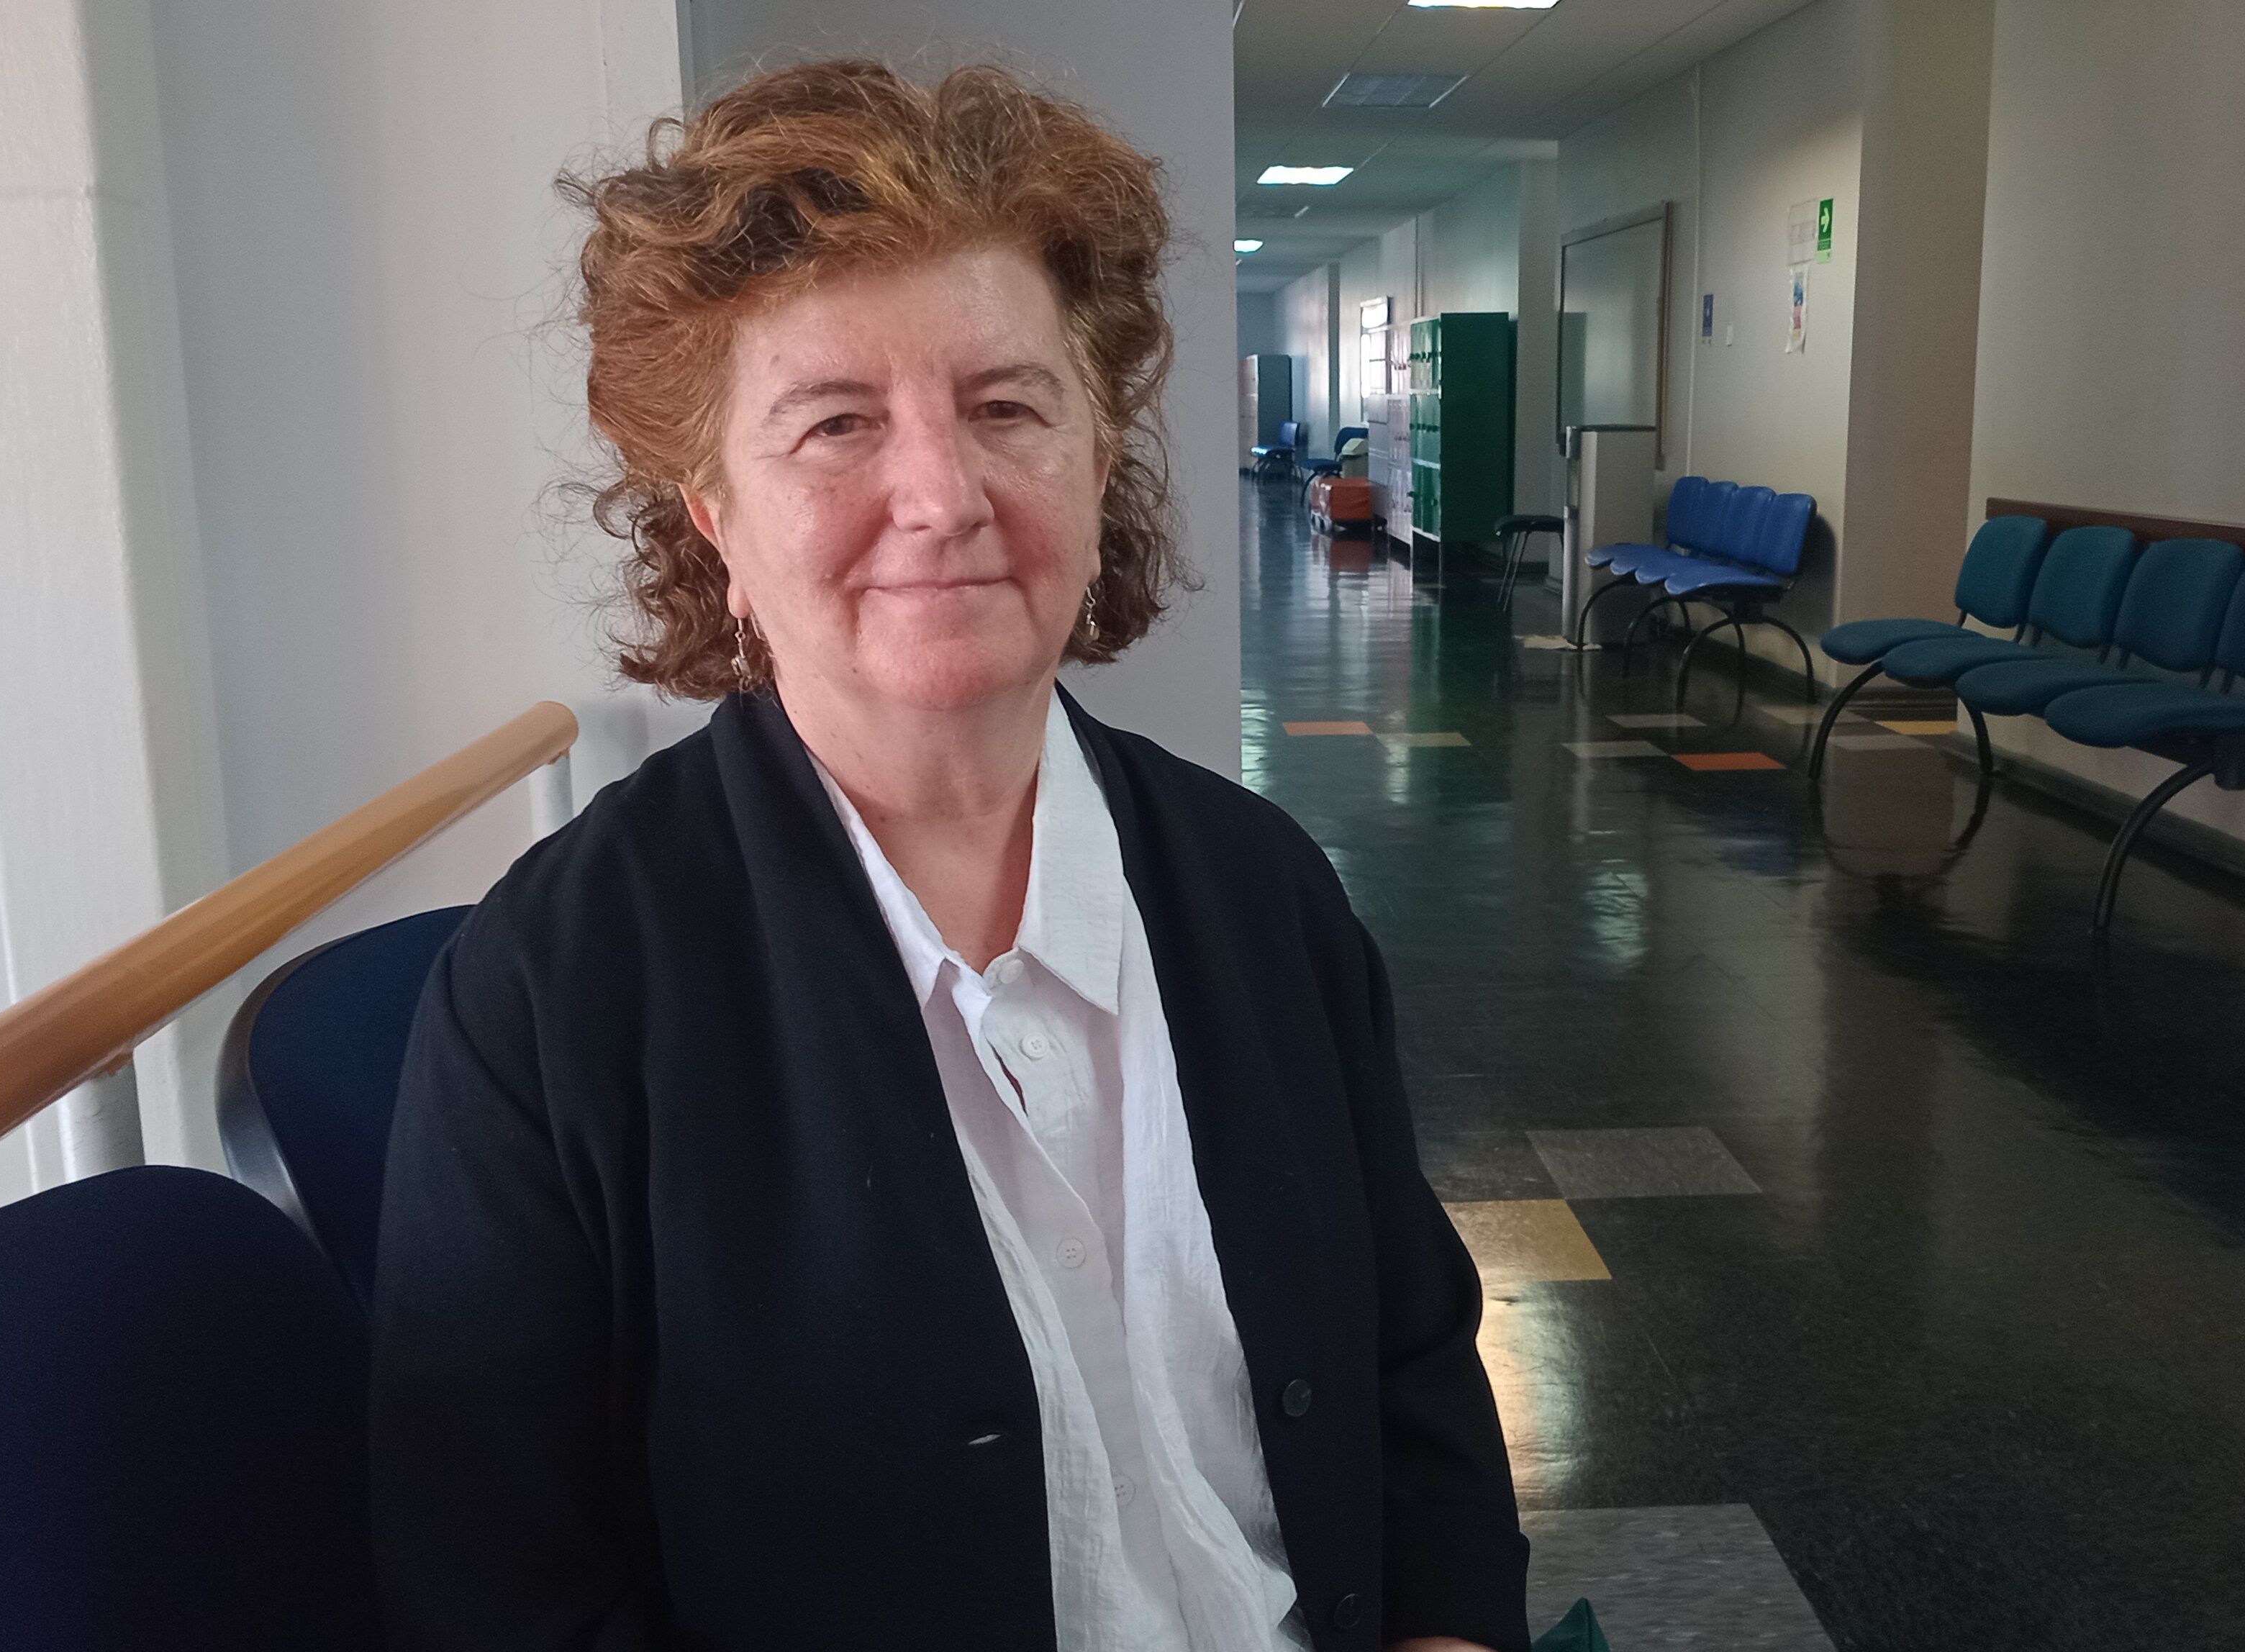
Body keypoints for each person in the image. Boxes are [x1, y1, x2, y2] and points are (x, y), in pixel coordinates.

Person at [367, 59, 1528, 1652]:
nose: (942, 494)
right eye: (836, 423)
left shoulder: (1264, 887)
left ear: (1096, 457)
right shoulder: (549, 999)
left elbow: (1415, 1365)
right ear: (713, 516)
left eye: (1006, 407)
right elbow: (501, 1590)